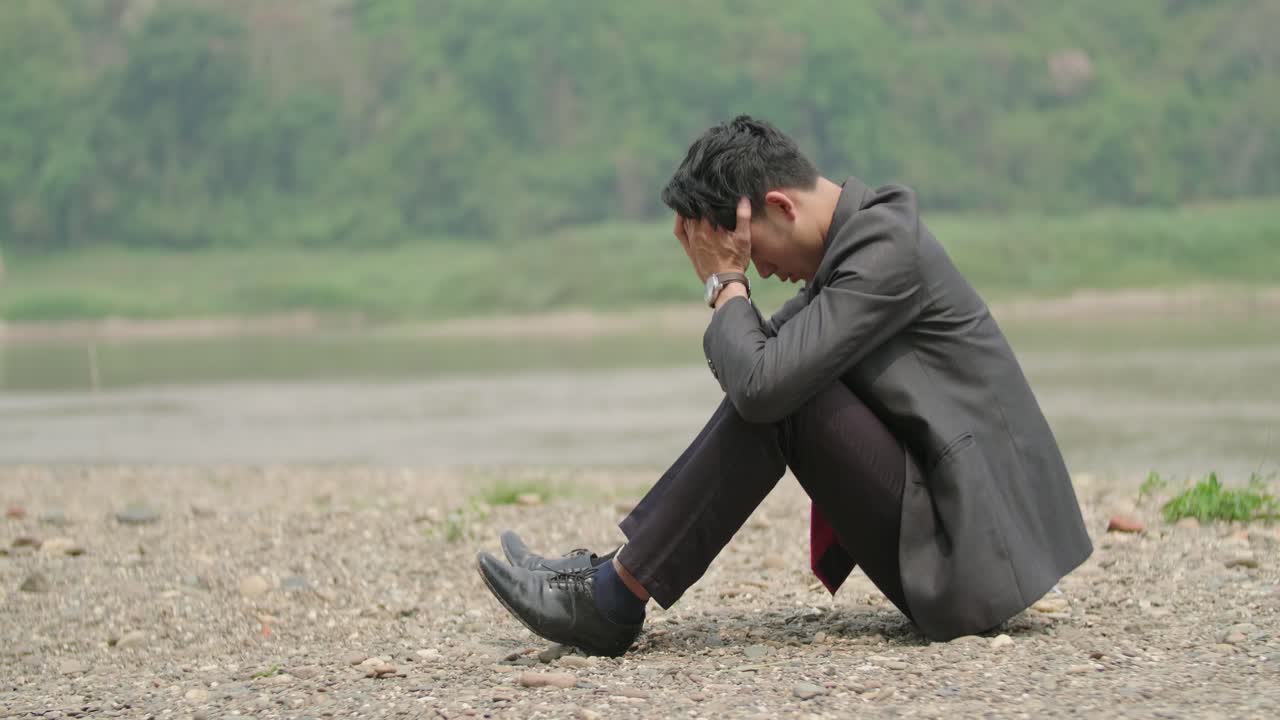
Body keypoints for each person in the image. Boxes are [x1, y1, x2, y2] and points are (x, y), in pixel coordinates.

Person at [475, 115, 1092, 656]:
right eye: (741, 257)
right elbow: (759, 364)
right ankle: (612, 581)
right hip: (963, 544)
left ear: (782, 207)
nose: (762, 269)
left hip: (974, 561)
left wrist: (726, 284)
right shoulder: (858, 249)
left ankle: (612, 598)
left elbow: (764, 386)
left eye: (752, 250)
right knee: (778, 381)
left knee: (787, 395)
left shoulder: (886, 251)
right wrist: (731, 292)